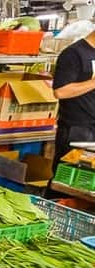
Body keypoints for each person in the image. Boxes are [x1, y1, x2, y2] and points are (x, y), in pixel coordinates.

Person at [51, 32, 95, 171]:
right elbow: (60, 91)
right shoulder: (74, 53)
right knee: (65, 178)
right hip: (77, 130)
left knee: (86, 183)